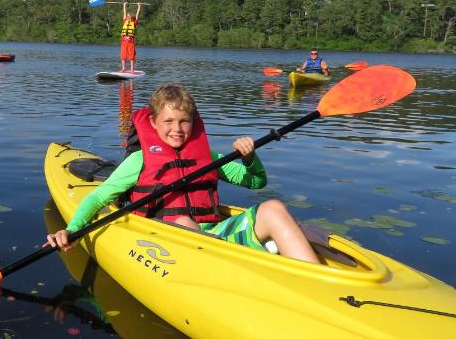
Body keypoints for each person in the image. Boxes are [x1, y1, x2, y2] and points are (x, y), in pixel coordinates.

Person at [45, 84, 320, 264]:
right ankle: (243, 263)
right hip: (165, 239)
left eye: (184, 121)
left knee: (273, 208)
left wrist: (251, 159)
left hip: (211, 235)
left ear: (193, 122)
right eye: (168, 121)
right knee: (185, 220)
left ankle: (315, 277)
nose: (177, 129)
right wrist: (72, 230)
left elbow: (256, 182)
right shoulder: (139, 160)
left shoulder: (208, 158)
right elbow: (98, 199)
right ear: (153, 122)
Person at [120, 2, 141, 72]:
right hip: (124, 42)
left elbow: (137, 15)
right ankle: (123, 68)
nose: (127, 16)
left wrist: (139, 7)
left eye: (128, 15)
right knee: (123, 55)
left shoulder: (134, 22)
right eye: (127, 16)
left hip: (131, 42)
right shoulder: (125, 21)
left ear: (131, 17)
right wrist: (124, 5)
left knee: (131, 56)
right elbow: (124, 13)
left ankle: (132, 69)